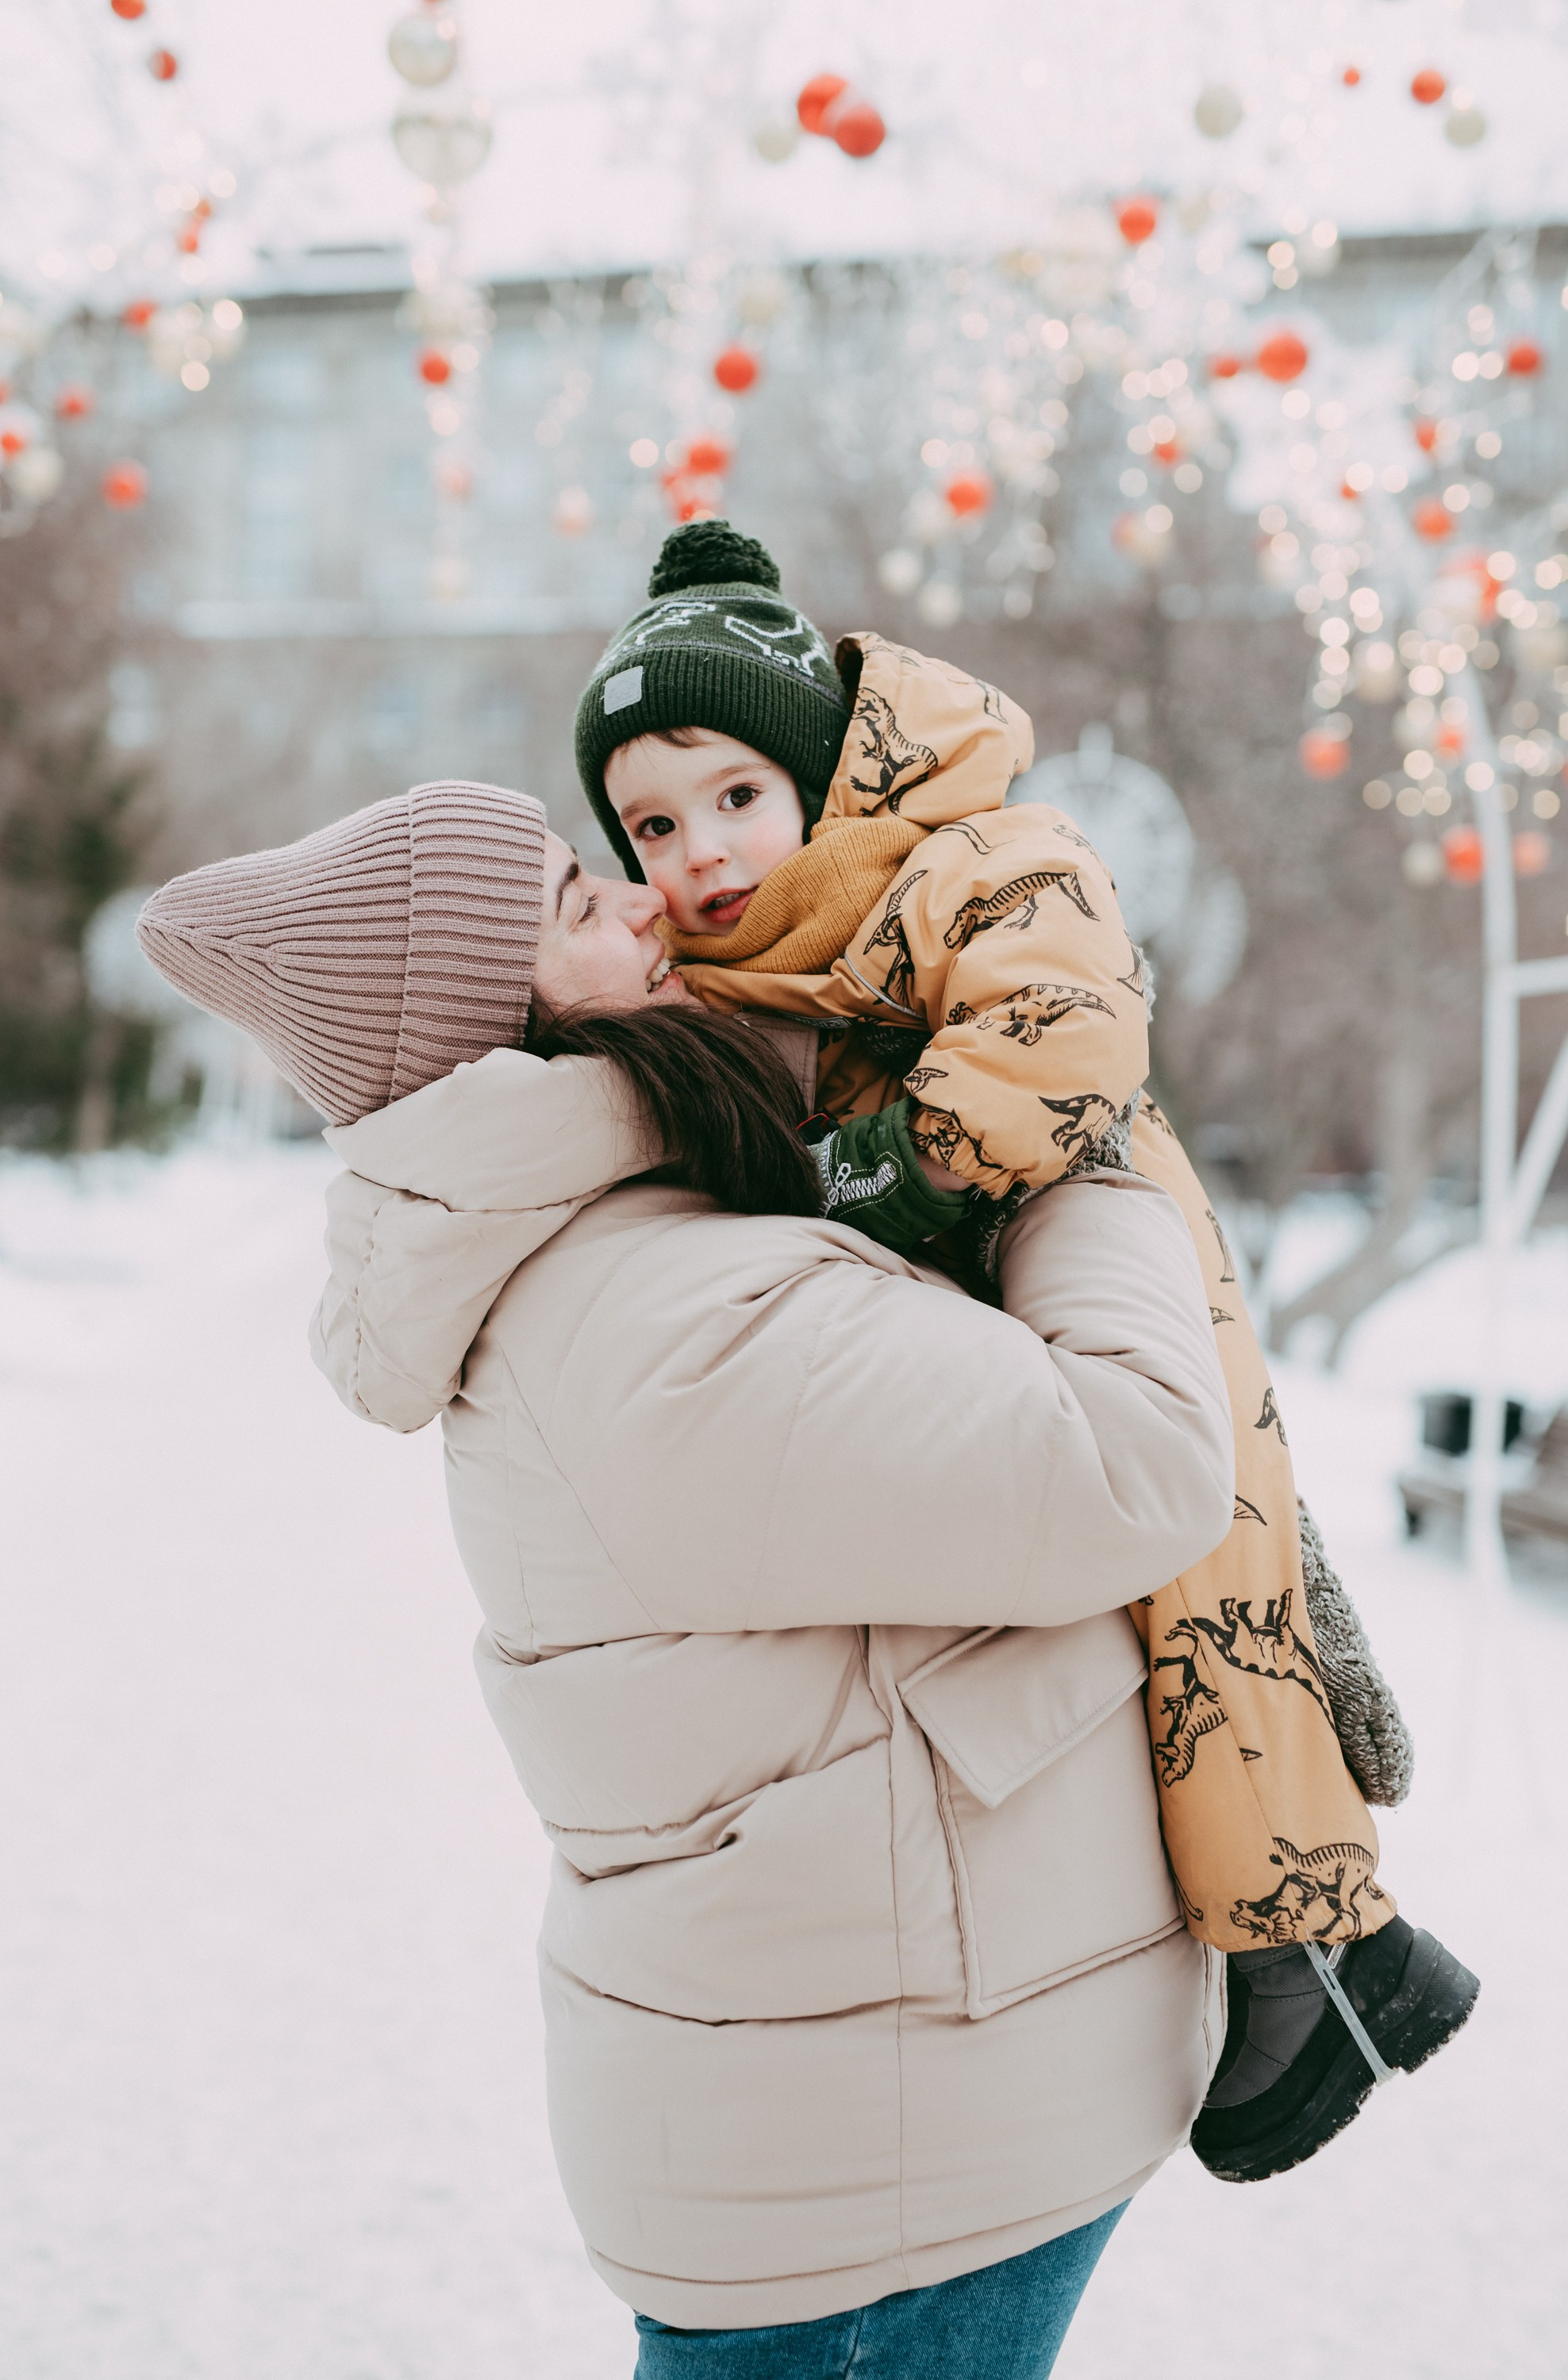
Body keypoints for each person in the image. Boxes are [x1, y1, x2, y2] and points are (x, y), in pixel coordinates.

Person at [136, 777, 1238, 2374]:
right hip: (886, 2190)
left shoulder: (633, 1245)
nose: (648, 903)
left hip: (878, 2125)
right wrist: (1079, 1143)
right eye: (584, 909)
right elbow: (1136, 1462)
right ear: (497, 1031)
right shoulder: (651, 1315)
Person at [573, 521, 1480, 2183]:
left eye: (730, 796)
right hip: (977, 1308)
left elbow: (1064, 1021)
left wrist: (882, 1173)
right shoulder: (723, 971)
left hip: (1088, 1221)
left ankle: (1320, 1942)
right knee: (1101, 1625)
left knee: (1204, 1583)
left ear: (816, 771)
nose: (696, 850)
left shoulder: (975, 849)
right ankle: (1302, 1956)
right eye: (650, 823)